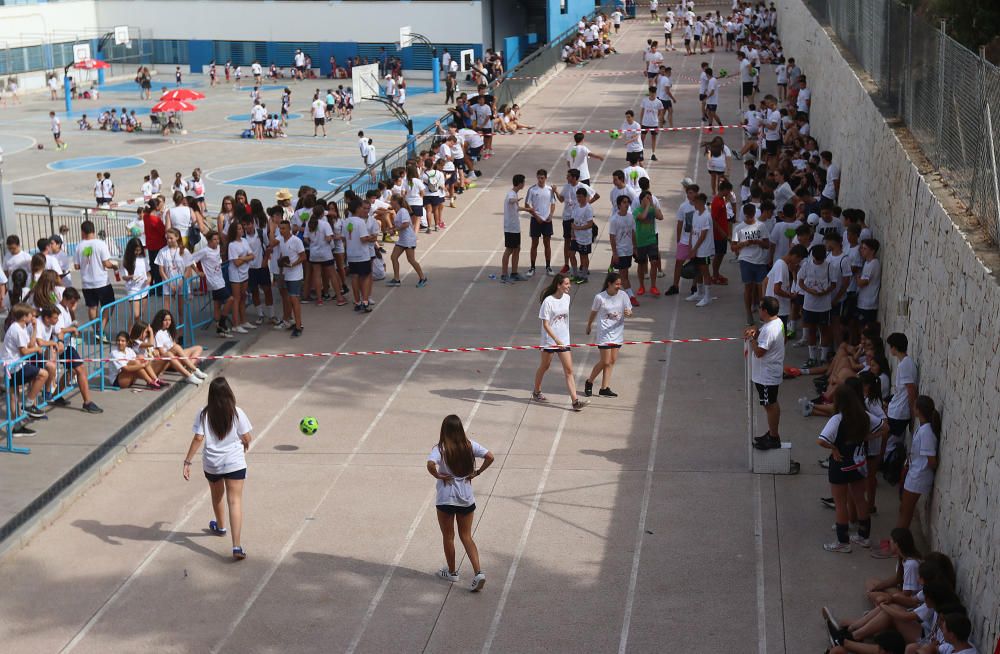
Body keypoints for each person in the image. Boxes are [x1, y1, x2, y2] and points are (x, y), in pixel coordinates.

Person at [183, 377, 253, 561]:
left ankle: (221, 527)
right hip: (234, 462)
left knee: (217, 497)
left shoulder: (203, 413)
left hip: (212, 463)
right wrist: (245, 444)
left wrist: (187, 461)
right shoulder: (237, 412)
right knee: (235, 501)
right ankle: (237, 545)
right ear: (229, 393)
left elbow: (198, 438)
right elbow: (247, 437)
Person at [427, 414, 494, 592]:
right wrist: (477, 472)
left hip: (445, 499)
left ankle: (451, 572)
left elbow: (430, 464)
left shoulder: (441, 448)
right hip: (466, 499)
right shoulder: (470, 445)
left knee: (448, 536)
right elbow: (490, 456)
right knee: (466, 536)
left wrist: (438, 475)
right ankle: (478, 572)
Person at [532, 275, 589, 410]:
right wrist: (556, 340)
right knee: (545, 366)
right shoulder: (548, 301)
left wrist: (562, 340)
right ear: (559, 285)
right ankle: (536, 391)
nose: (569, 286)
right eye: (567, 284)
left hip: (564, 340)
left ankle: (575, 402)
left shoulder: (567, 298)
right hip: (550, 340)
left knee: (569, 370)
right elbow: (546, 324)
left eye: (569, 284)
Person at [584, 272, 632, 397]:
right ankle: (589, 382)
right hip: (604, 333)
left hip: (618, 333)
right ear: (609, 284)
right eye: (616, 284)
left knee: (612, 360)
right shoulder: (600, 297)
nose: (619, 286)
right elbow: (593, 312)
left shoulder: (623, 295)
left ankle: (604, 388)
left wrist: (628, 313)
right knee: (605, 361)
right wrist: (589, 325)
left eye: (620, 284)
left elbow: (629, 310)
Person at [747, 297, 786, 450]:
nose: (758, 309)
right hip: (769, 373)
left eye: (760, 307)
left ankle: (774, 437)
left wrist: (751, 339)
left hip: (766, 375)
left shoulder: (770, 329)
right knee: (770, 403)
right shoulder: (777, 322)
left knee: (770, 405)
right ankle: (772, 433)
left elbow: (759, 352)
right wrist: (756, 333)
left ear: (765, 311)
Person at [897, 396, 939, 531]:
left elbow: (932, 460)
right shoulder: (923, 428)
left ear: (918, 411)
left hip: (918, 476)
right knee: (904, 509)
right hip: (914, 474)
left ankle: (898, 544)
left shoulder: (926, 432)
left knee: (906, 512)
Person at [74, 220, 118, 339]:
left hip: (87, 283)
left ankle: (96, 330)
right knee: (109, 305)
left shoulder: (79, 246)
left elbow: (76, 266)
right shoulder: (100, 244)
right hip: (101, 282)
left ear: (83, 232)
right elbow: (106, 263)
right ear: (93, 230)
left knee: (92, 307)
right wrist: (114, 265)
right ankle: (101, 329)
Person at [732, 202, 770, 325]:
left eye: (751, 216)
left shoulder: (761, 226)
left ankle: (762, 313)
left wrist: (757, 242)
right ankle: (748, 313)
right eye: (747, 216)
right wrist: (744, 243)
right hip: (746, 260)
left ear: (754, 214)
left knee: (761, 289)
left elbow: (767, 245)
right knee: (748, 288)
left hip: (760, 261)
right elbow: (733, 247)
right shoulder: (738, 228)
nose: (749, 218)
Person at [151, 309, 205, 385]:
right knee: (177, 347)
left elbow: (173, 345)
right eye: (165, 320)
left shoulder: (167, 331)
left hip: (174, 356)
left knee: (199, 348)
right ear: (160, 321)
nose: (168, 322)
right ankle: (192, 371)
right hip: (168, 361)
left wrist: (179, 353)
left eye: (169, 320)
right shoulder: (158, 333)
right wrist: (177, 352)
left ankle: (191, 369)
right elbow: (162, 353)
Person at [386, 195, 427, 287]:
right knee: (394, 257)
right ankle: (396, 279)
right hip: (402, 239)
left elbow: (405, 224)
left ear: (396, 202)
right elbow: (401, 224)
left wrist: (395, 229)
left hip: (408, 239)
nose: (390, 203)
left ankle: (423, 278)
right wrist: (392, 229)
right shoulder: (399, 211)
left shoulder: (403, 211)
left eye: (391, 201)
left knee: (411, 260)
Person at [525, 169, 556, 276]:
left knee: (547, 244)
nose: (540, 180)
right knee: (534, 244)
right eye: (538, 178)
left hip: (547, 221)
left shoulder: (550, 189)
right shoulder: (532, 190)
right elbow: (527, 205)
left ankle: (548, 266)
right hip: (535, 220)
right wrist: (536, 216)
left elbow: (553, 203)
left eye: (542, 178)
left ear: (546, 178)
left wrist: (551, 215)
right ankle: (532, 267)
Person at [608, 194, 638, 306]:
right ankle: (631, 297)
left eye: (627, 202)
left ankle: (613, 293)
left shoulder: (631, 217)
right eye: (624, 202)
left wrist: (635, 247)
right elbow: (612, 237)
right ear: (619, 205)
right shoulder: (614, 219)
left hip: (629, 250)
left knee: (624, 274)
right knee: (624, 275)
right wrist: (615, 253)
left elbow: (633, 233)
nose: (626, 204)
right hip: (620, 251)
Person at [501, 174, 528, 283]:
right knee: (509, 250)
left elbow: (516, 207)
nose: (524, 184)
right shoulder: (511, 194)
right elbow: (511, 200)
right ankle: (504, 274)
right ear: (520, 183)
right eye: (524, 182)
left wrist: (528, 209)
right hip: (510, 228)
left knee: (517, 248)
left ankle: (514, 273)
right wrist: (516, 200)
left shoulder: (514, 194)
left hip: (515, 227)